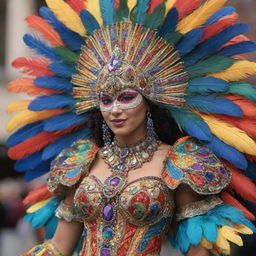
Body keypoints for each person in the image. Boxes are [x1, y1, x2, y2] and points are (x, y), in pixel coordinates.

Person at [6, 0, 256, 255]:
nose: (114, 109)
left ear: (149, 103)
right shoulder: (82, 161)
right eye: (106, 100)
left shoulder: (179, 163)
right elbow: (58, 246)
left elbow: (199, 247)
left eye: (126, 97)